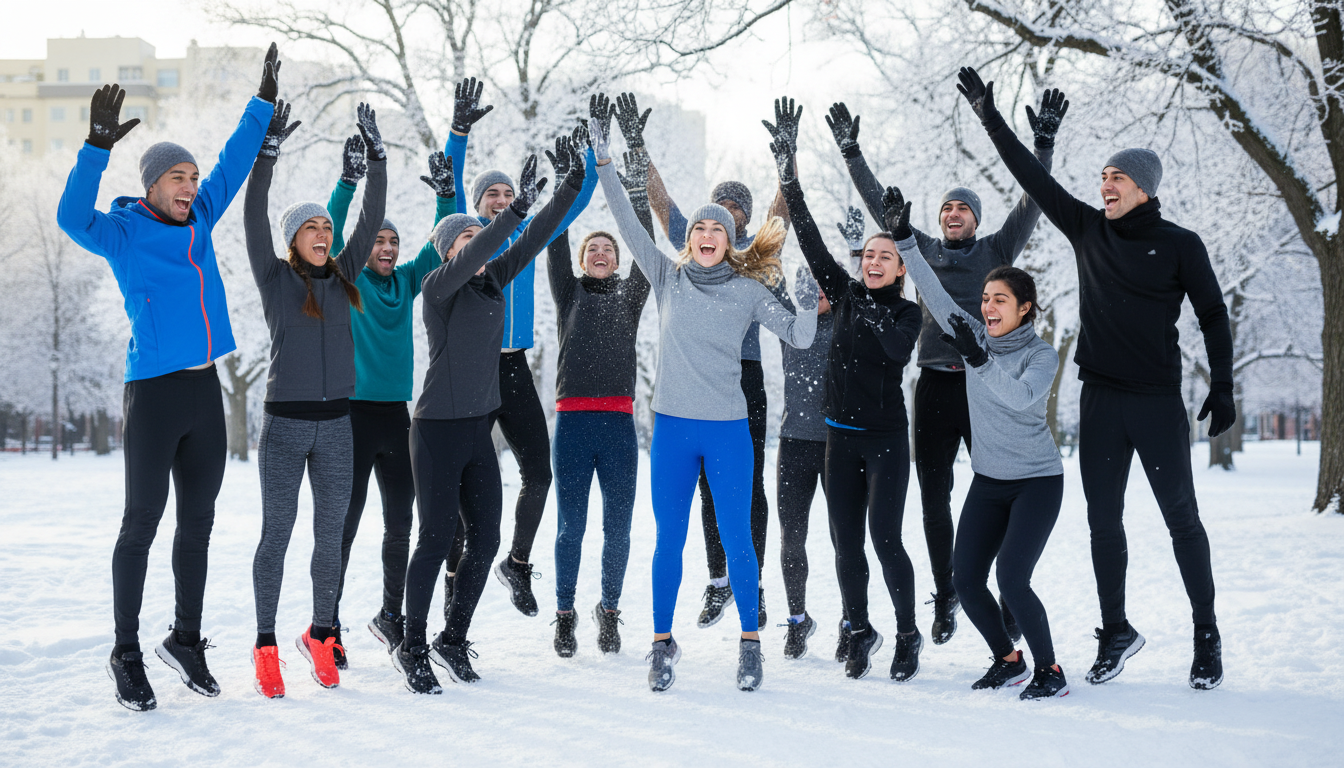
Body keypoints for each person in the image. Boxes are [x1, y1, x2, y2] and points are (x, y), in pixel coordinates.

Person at [958, 67, 1234, 689]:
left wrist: (1223, 383)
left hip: (1159, 401)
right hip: (1102, 399)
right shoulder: (1087, 229)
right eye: (1103, 176)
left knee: (1181, 520)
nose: (1105, 184)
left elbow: (1213, 313)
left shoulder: (1181, 244)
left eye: (1117, 177)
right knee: (1102, 522)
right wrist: (989, 117)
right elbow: (1032, 177)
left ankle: (1206, 635)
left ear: (1144, 188)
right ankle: (1115, 631)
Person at [56, 45, 280, 711]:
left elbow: (237, 160)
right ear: (153, 186)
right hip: (153, 394)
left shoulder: (203, 216)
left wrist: (262, 101)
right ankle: (125, 652)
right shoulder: (124, 231)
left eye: (191, 175)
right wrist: (94, 148)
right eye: (176, 177)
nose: (189, 185)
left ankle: (185, 639)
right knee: (142, 522)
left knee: (200, 522)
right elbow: (72, 217)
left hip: (204, 391)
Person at [591, 111, 818, 693]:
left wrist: (813, 300)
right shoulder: (666, 278)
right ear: (689, 239)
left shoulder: (749, 289)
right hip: (670, 429)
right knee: (669, 540)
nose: (708, 234)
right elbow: (630, 214)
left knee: (738, 537)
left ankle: (750, 642)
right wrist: (607, 159)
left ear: (729, 240)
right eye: (699, 228)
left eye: (717, 229)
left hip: (726, 431)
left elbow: (798, 336)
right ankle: (662, 643)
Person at [825, 97, 1064, 645]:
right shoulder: (923, 249)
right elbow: (884, 215)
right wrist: (852, 153)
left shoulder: (999, 248)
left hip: (988, 388)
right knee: (935, 497)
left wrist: (1043, 147)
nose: (953, 214)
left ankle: (1007, 591)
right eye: (946, 209)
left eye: (963, 208)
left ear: (976, 219)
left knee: (995, 485)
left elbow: (1034, 200)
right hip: (934, 383)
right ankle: (947, 593)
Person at [395, 145, 583, 695]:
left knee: (486, 539)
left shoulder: (493, 279)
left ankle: (453, 638)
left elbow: (532, 235)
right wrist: (513, 208)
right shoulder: (437, 289)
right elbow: (496, 236)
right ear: (446, 251)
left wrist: (568, 185)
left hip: (477, 431)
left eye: (475, 238)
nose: (473, 246)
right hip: (435, 431)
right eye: (462, 240)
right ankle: (412, 646)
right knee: (433, 541)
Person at [615, 92, 798, 628]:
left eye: (737, 212)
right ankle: (719, 580)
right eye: (720, 210)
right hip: (687, 387)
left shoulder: (756, 255)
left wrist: (787, 163)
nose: (728, 219)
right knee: (695, 491)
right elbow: (661, 205)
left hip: (742, 382)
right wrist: (636, 147)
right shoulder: (694, 243)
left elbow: (780, 215)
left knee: (745, 488)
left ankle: (751, 582)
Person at [887, 187, 1070, 699]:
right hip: (990, 483)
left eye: (999, 300)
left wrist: (979, 358)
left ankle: (1049, 670)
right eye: (985, 299)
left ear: (1024, 309)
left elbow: (1019, 398)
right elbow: (932, 289)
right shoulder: (973, 333)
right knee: (965, 580)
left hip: (1036, 482)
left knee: (1012, 580)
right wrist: (903, 238)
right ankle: (1008, 659)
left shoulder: (1040, 356)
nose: (988, 307)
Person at [242, 102, 386, 698]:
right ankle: (266, 644)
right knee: (278, 533)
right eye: (313, 229)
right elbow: (252, 213)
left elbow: (371, 214)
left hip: (338, 426)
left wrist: (376, 161)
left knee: (332, 537)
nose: (325, 235)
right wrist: (265, 154)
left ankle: (322, 634)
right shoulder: (275, 278)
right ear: (293, 241)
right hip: (285, 426)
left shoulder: (347, 274)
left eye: (328, 228)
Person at [441, 80, 600, 618]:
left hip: (513, 370)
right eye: (494, 195)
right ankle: (453, 578)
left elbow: (569, 206)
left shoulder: (521, 241)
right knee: (462, 483)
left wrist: (589, 161)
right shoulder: (465, 245)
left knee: (540, 470)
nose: (503, 202)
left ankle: (518, 562)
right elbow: (448, 190)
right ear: (479, 203)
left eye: (510, 196)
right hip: (468, 373)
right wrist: (459, 133)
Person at [769, 134, 924, 683]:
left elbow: (893, 350)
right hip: (838, 440)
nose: (875, 262)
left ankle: (907, 633)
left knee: (885, 539)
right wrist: (788, 176)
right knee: (847, 545)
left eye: (887, 257)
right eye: (869, 256)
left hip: (884, 442)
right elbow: (808, 235)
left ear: (902, 269)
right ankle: (858, 630)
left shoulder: (906, 316)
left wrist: (868, 299)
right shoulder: (846, 287)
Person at [324, 136, 459, 665]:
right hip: (352, 416)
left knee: (401, 523)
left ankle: (389, 614)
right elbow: (334, 235)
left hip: (397, 419)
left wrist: (447, 196)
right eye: (378, 240)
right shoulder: (350, 277)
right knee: (345, 524)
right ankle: (326, 624)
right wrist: (348, 183)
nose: (386, 248)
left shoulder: (406, 282)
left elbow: (442, 244)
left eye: (392, 242)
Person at [546, 147, 654, 658]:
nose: (602, 253)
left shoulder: (631, 297)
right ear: (583, 259)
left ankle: (608, 611)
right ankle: (564, 614)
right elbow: (554, 242)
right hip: (571, 426)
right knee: (571, 526)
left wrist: (634, 189)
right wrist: (565, 187)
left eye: (609, 248)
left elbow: (645, 242)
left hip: (617, 428)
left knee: (618, 526)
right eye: (594, 249)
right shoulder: (569, 293)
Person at [774, 262, 835, 661]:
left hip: (838, 447)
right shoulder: (790, 325)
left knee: (843, 541)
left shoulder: (848, 323)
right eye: (810, 287)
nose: (817, 293)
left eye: (824, 285)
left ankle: (853, 622)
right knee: (791, 538)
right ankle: (798, 620)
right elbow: (767, 273)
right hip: (793, 443)